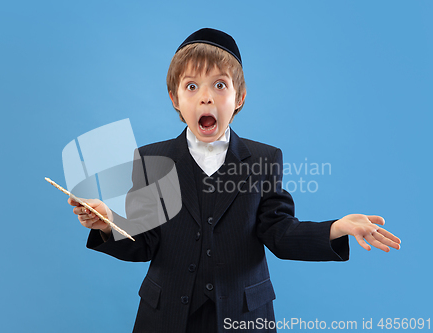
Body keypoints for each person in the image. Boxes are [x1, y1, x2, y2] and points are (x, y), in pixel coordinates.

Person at [68, 28, 401, 333]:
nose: (206, 97)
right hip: (165, 315)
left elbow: (280, 233)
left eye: (220, 85)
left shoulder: (264, 160)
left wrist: (336, 228)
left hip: (243, 317)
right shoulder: (152, 159)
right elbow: (145, 240)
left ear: (239, 97)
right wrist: (108, 223)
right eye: (191, 86)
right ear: (175, 100)